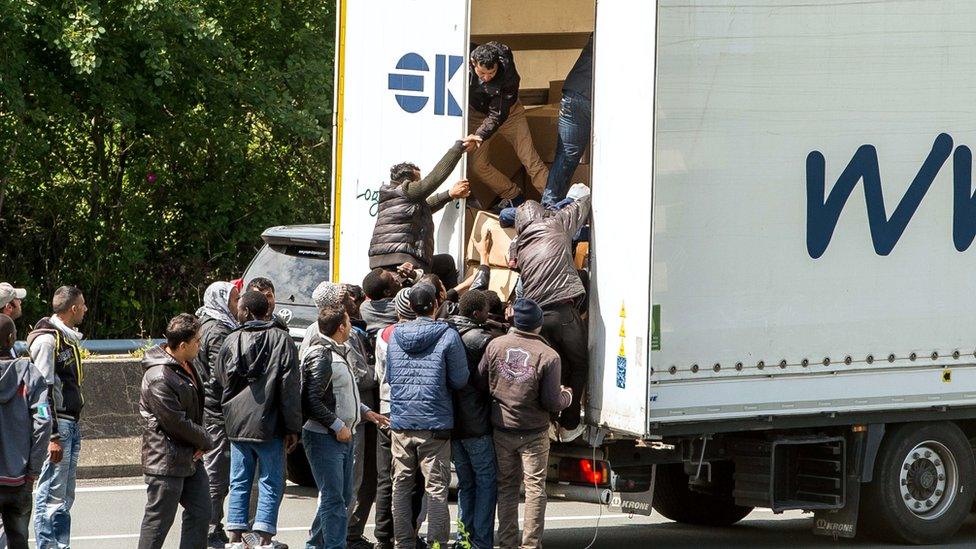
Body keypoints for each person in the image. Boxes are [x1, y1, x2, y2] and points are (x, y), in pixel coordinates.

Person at [211, 291, 302, 549]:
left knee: (239, 479)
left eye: (240, 309)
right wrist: (293, 426)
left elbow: (220, 379)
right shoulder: (281, 339)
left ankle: (236, 537)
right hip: (270, 422)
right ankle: (263, 537)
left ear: (248, 312)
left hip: (237, 422)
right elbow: (289, 386)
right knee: (271, 480)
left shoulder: (231, 340)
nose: (237, 312)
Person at [478, 298, 572, 549]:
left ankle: (507, 543)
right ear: (538, 325)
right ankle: (530, 545)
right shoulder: (549, 356)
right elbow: (552, 402)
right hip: (534, 433)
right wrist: (568, 396)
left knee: (507, 488)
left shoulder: (495, 346)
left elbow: (480, 378)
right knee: (534, 489)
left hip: (502, 429)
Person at [386, 283, 469, 549]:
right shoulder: (447, 335)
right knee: (436, 488)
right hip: (434, 423)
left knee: (400, 485)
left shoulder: (395, 335)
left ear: (409, 307)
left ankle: (403, 542)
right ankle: (436, 544)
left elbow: (389, 376)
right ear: (436, 305)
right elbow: (459, 379)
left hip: (400, 421)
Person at [302, 305, 388, 549]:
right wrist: (338, 425)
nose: (351, 325)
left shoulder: (339, 351)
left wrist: (365, 412)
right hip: (325, 437)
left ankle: (315, 544)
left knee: (341, 497)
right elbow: (311, 400)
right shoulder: (321, 355)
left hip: (342, 436)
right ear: (341, 327)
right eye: (349, 321)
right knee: (334, 499)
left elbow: (341, 393)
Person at [511, 186, 591, 439]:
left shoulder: (518, 245)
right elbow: (583, 205)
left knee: (554, 366)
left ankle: (549, 419)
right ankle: (569, 425)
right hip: (563, 308)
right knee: (579, 365)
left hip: (539, 318)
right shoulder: (555, 223)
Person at [137, 314, 215, 549]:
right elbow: (175, 422)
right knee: (159, 521)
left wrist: (199, 442)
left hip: (190, 455)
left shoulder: (186, 365)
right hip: (166, 459)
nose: (200, 345)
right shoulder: (160, 376)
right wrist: (205, 440)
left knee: (202, 511)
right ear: (183, 345)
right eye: (197, 341)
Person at [28, 285, 87, 549]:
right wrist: (51, 435)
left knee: (64, 496)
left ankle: (61, 545)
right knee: (50, 493)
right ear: (73, 308)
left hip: (71, 424)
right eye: (83, 305)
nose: (85, 310)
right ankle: (47, 546)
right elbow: (42, 392)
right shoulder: (47, 340)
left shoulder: (67, 338)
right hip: (58, 426)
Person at [368, 140, 472, 279]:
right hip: (401, 260)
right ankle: (447, 300)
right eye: (418, 180)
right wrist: (459, 148)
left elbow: (425, 207)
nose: (420, 183)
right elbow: (435, 178)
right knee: (440, 270)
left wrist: (449, 194)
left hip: (387, 258)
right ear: (408, 181)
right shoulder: (407, 190)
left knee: (446, 263)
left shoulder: (394, 196)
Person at [465, 41, 549, 207]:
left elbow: (497, 114)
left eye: (492, 72)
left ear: (497, 64)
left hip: (509, 113)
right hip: (477, 115)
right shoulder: (462, 55)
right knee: (478, 166)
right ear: (472, 62)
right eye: (482, 73)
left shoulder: (508, 74)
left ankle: (556, 205)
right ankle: (514, 196)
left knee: (530, 160)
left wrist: (479, 135)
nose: (487, 78)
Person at [445, 291, 497, 549]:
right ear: (476, 314)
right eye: (486, 310)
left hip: (453, 424)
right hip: (476, 423)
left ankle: (464, 539)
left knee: (466, 485)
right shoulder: (482, 339)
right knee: (486, 482)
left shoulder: (448, 331)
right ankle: (481, 542)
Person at [195, 281, 240, 548]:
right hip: (217, 410)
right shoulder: (218, 330)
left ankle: (213, 524)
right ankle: (210, 526)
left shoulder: (206, 324)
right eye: (234, 300)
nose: (238, 306)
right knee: (217, 471)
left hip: (210, 407)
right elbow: (220, 376)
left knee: (216, 469)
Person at [0, 314, 51, 549]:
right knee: (19, 540)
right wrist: (33, 471)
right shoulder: (29, 374)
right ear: (11, 339)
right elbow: (43, 421)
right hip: (19, 480)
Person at [542, 34, 593, 207]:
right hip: (593, 96)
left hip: (574, 93)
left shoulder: (602, 28)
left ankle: (548, 209)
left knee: (565, 156)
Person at [0, 283, 26, 360]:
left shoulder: (6, 335)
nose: (20, 302)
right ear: (9, 307)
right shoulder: (6, 338)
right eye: (17, 299)